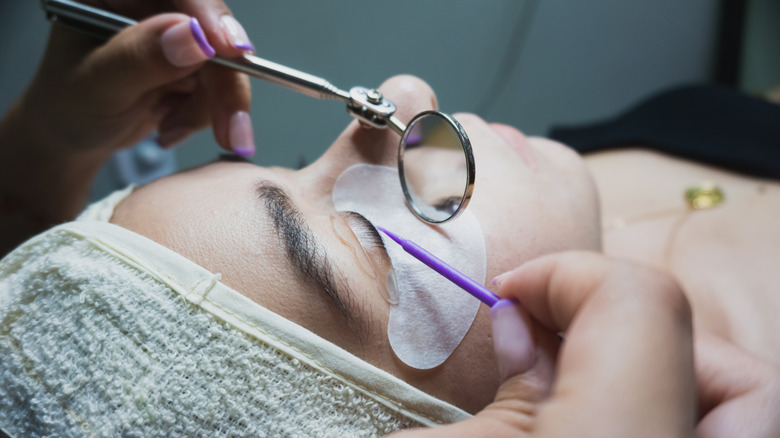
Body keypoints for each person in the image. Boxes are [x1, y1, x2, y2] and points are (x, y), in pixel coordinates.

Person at [0, 3, 778, 437]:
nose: (404, 93)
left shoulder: (568, 190)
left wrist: (44, 149)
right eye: (368, 232)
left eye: (292, 162)